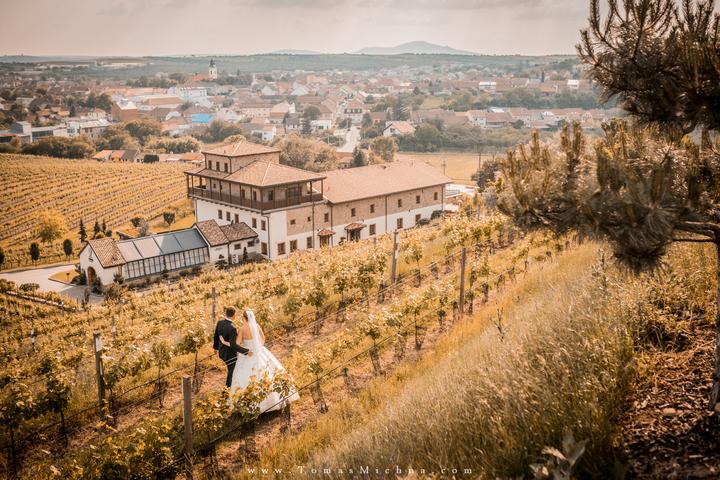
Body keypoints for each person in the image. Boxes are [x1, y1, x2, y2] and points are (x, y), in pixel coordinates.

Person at [219, 309, 299, 412]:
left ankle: (247, 404)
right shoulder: (257, 326)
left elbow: (236, 344)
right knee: (267, 373)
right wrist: (257, 347)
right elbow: (263, 339)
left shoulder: (242, 329)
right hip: (259, 352)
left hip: (247, 354)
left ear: (244, 318)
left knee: (244, 377)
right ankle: (272, 401)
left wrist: (224, 342)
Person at [213, 307, 253, 388]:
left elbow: (216, 336)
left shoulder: (220, 322)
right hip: (230, 355)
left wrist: (215, 348)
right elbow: (234, 345)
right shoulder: (232, 328)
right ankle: (227, 391)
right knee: (232, 372)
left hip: (222, 352)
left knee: (232, 371)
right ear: (234, 315)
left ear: (226, 313)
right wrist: (246, 351)